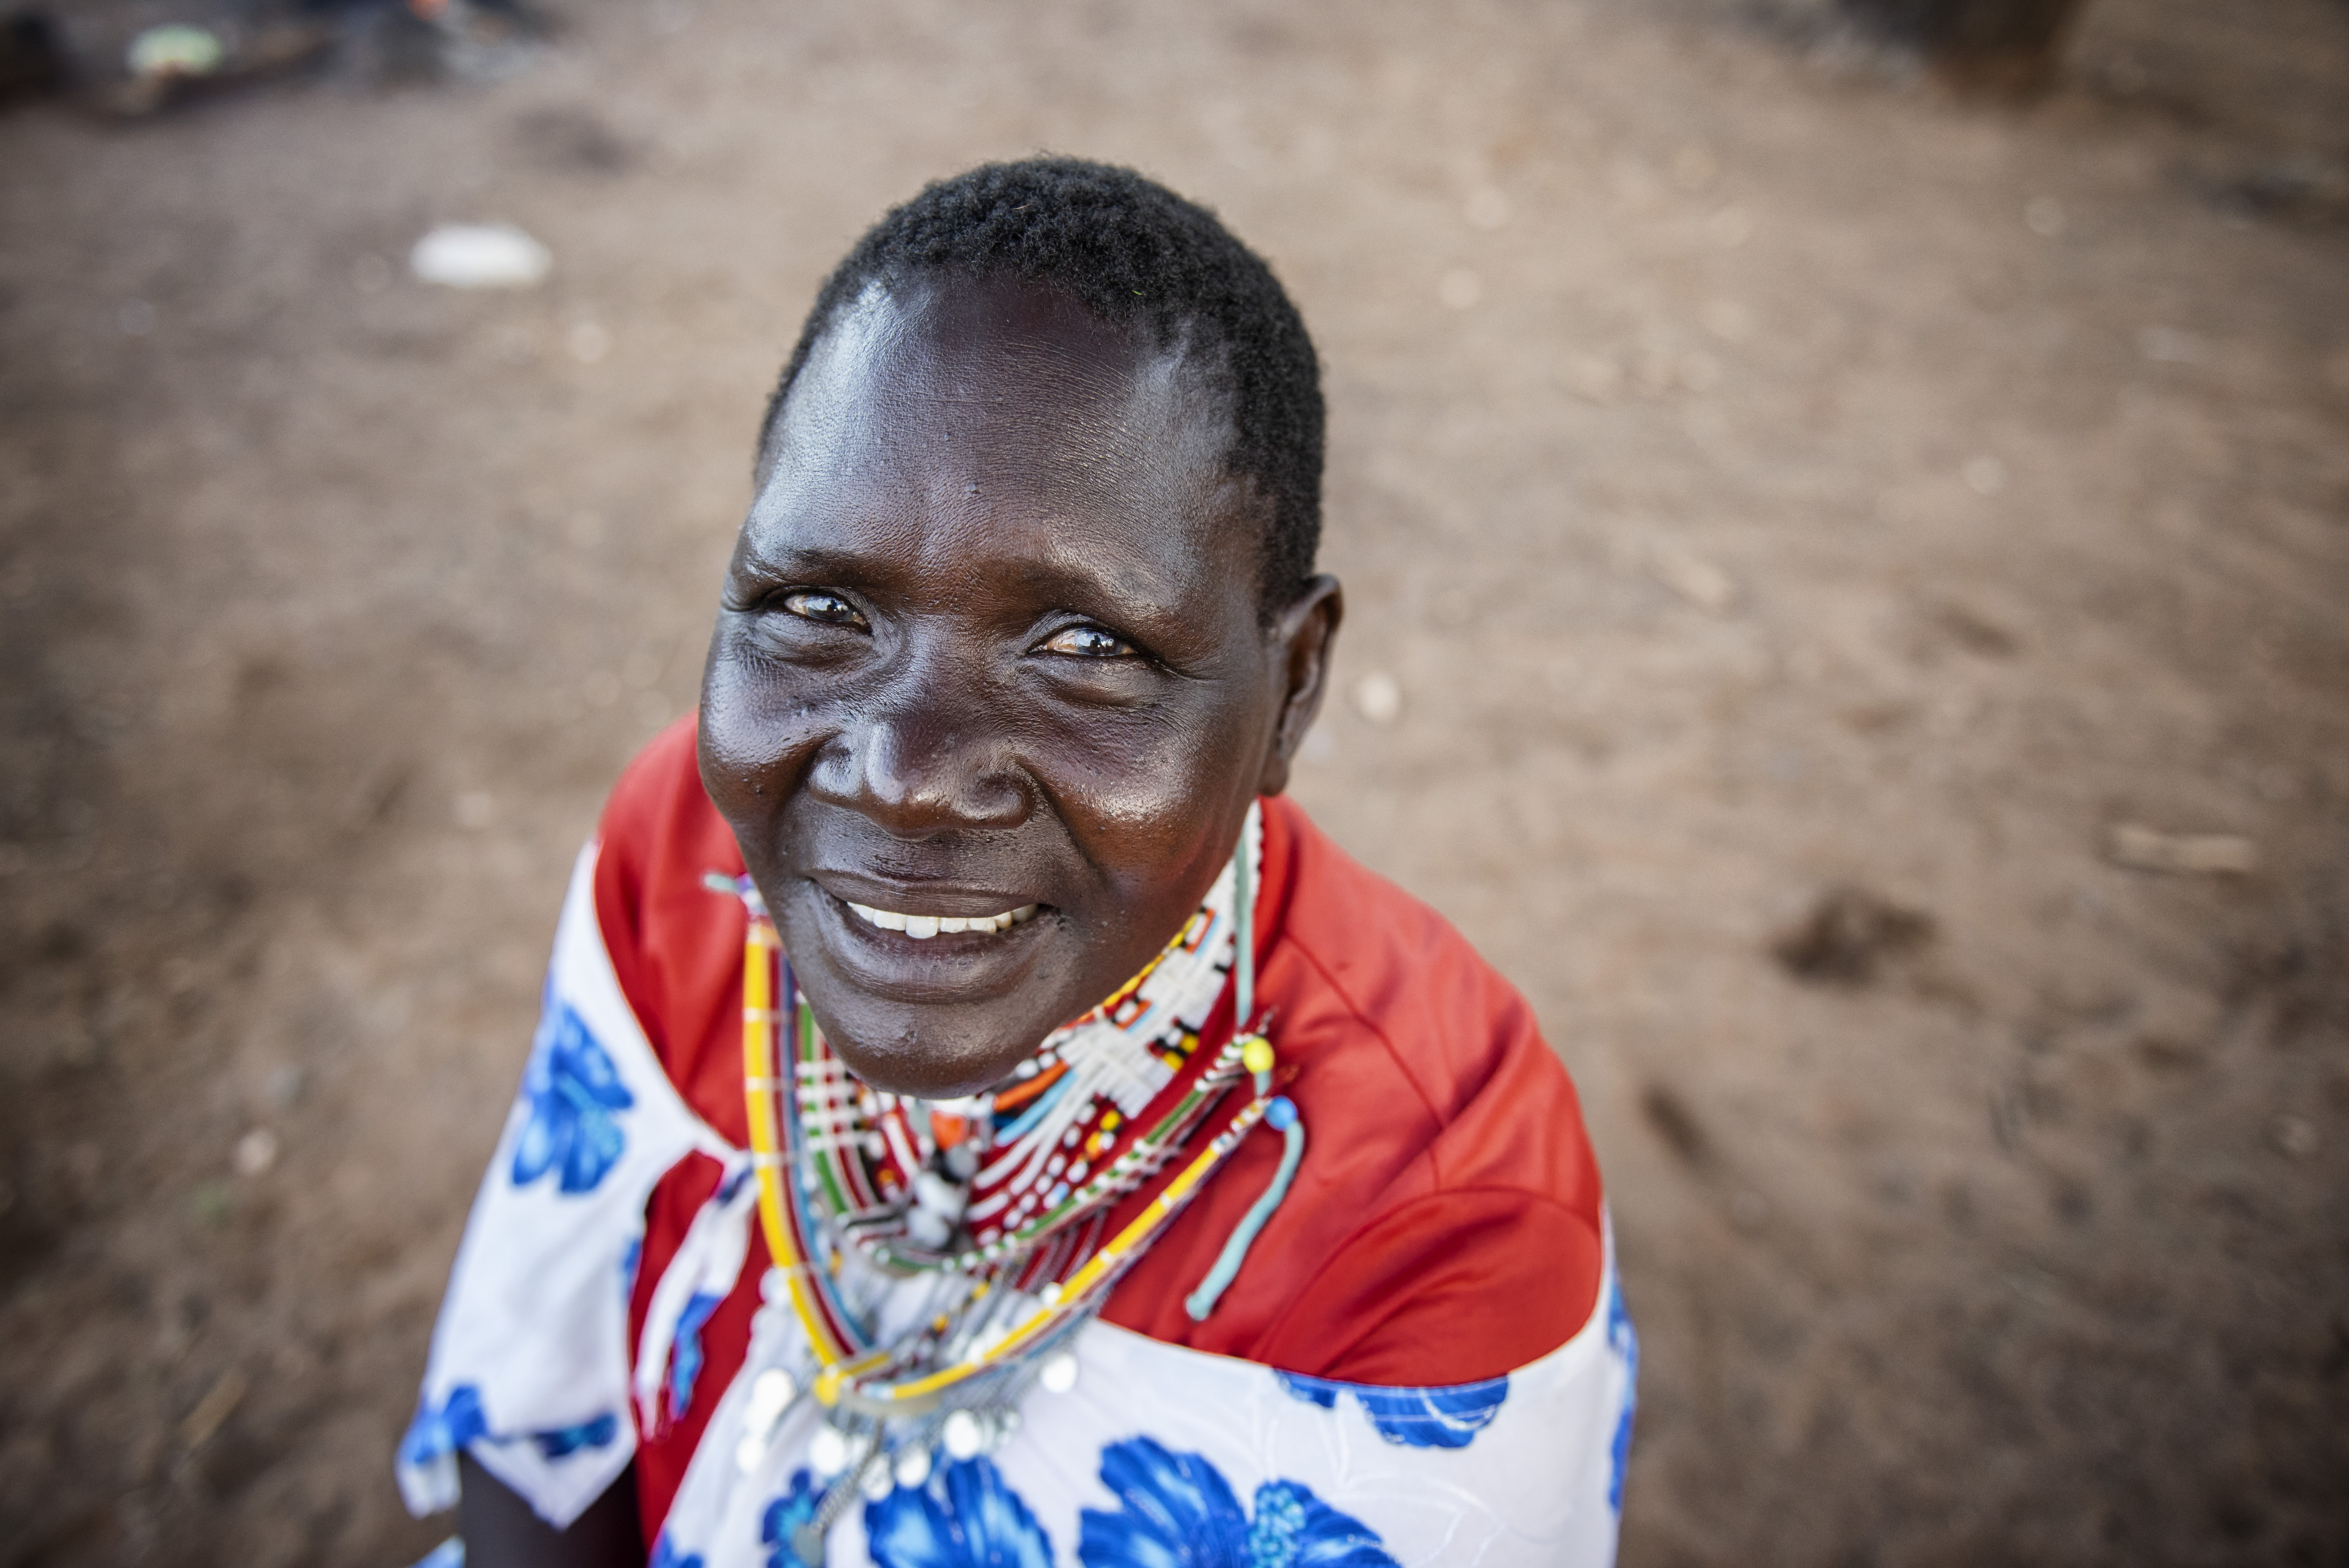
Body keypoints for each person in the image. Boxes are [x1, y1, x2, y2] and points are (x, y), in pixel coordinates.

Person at [397, 157, 1635, 1568]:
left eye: (1087, 648)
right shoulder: (681, 854)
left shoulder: (1441, 1220)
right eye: (817, 607)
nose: (907, 777)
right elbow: (542, 1429)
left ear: (1292, 685)